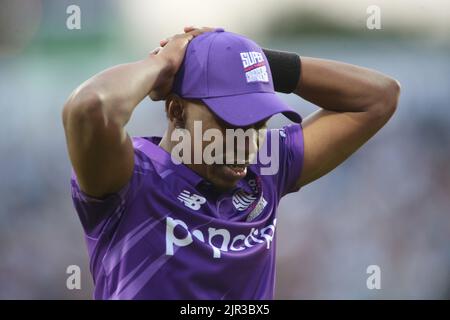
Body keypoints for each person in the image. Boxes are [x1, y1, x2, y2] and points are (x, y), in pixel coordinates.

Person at [62, 26, 400, 299]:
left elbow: (379, 97)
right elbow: (90, 108)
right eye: (231, 123)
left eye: (259, 123)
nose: (249, 142)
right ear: (176, 111)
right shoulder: (131, 180)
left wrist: (251, 63)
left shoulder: (265, 167)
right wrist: (163, 64)